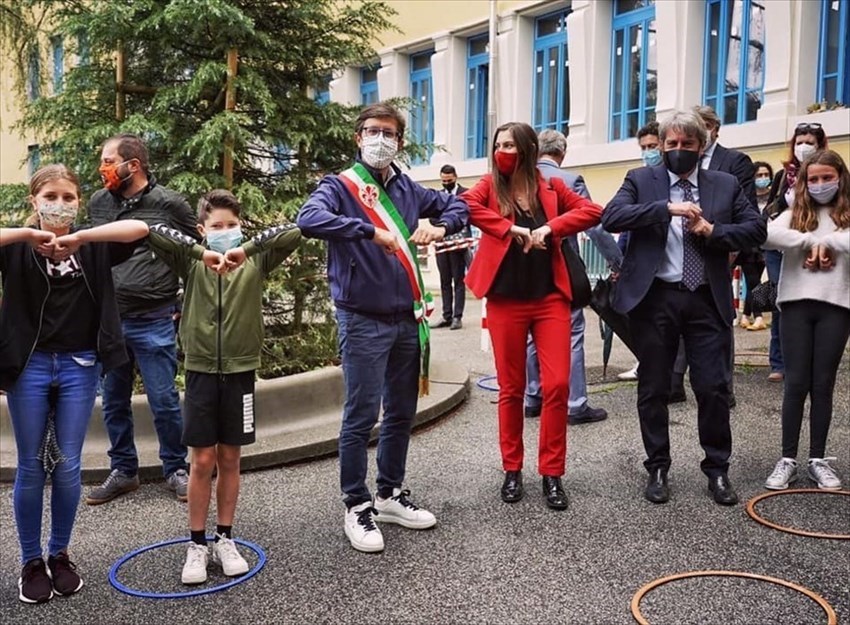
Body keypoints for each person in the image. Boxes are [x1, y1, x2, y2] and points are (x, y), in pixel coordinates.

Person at [296, 102, 468, 553]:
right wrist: (370, 232)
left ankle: (389, 493)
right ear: (358, 137)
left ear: (399, 142)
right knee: (360, 415)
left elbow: (460, 203)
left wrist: (441, 224)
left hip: (406, 319)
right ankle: (356, 504)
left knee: (400, 413)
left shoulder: (409, 189)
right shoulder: (339, 187)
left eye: (388, 133)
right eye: (372, 131)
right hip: (363, 319)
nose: (379, 139)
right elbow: (308, 220)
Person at [601, 110, 766, 506]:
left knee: (712, 387)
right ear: (661, 147)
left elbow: (756, 229)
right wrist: (666, 209)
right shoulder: (641, 180)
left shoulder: (723, 185)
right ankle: (657, 466)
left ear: (701, 146)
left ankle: (717, 470)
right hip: (656, 298)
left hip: (706, 298)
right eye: (670, 145)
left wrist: (713, 231)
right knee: (655, 386)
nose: (677, 151)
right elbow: (611, 216)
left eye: (686, 145)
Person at [1, 164, 147, 604]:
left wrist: (82, 238)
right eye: (51, 196)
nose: (60, 204)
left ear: (79, 202)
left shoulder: (92, 247)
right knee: (30, 465)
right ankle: (31, 562)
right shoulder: (17, 248)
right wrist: (28, 235)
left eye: (69, 197)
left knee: (67, 464)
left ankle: (59, 554)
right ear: (34, 200)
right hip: (30, 366)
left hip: (79, 365)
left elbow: (141, 228)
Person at [146, 189, 301, 584]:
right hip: (200, 371)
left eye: (232, 225)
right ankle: (196, 544)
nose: (225, 232)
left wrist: (244, 249)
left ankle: (225, 537)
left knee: (231, 458)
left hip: (241, 371)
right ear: (202, 230)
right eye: (217, 227)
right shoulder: (191, 261)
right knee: (200, 461)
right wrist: (204, 253)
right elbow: (153, 231)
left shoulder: (255, 260)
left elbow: (295, 231)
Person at [463, 122, 603, 510]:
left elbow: (592, 211)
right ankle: (512, 469)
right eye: (498, 144)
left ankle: (552, 473)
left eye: (510, 144)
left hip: (549, 300)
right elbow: (467, 207)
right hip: (506, 300)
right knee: (511, 388)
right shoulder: (489, 186)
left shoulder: (551, 186)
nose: (502, 150)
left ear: (526, 148)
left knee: (557, 385)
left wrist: (549, 228)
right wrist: (509, 229)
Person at [86, 133, 199, 505]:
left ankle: (176, 468)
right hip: (110, 320)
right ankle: (124, 470)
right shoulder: (100, 203)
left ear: (132, 165)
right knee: (114, 400)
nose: (103, 168)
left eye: (108, 160)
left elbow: (194, 255)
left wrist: (184, 301)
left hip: (155, 317)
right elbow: (93, 255)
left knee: (164, 399)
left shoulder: (170, 204)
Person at [762, 149, 850, 491]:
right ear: (803, 182)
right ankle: (787, 458)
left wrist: (829, 241)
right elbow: (768, 234)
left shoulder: (845, 215)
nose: (820, 184)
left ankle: (818, 458)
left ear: (840, 178)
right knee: (796, 382)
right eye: (813, 179)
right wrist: (810, 240)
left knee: (822, 384)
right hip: (796, 305)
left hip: (836, 305)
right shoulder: (795, 213)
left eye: (827, 177)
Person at [523, 129, 622, 425]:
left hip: (524, 268)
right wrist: (618, 262)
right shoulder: (570, 180)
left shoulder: (519, 178)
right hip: (560, 266)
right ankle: (575, 404)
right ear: (562, 153)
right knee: (572, 331)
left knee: (531, 331)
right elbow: (595, 224)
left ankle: (533, 396)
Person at [665, 105, 759, 405]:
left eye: (701, 126)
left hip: (719, 253)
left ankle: (722, 389)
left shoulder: (734, 163)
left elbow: (748, 216)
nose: (683, 143)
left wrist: (725, 241)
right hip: (677, 262)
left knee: (717, 326)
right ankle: (674, 381)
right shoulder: (664, 168)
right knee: (678, 322)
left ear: (712, 130)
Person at [761, 123, 830, 382]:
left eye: (809, 142)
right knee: (781, 303)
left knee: (810, 304)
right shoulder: (783, 176)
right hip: (781, 247)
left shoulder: (830, 174)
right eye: (799, 141)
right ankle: (778, 362)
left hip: (817, 249)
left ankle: (807, 361)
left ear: (820, 144)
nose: (803, 147)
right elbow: (771, 208)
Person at [617, 120, 661, 382]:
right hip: (639, 261)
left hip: (664, 263)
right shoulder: (636, 178)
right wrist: (619, 260)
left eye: (653, 146)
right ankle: (645, 363)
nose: (648, 152)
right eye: (644, 147)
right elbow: (622, 223)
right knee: (641, 319)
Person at [431, 164, 470, 330]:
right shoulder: (438, 196)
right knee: (444, 281)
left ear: (455, 177)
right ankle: (446, 315)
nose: (446, 183)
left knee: (458, 280)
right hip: (441, 244)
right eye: (443, 180)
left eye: (449, 180)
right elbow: (432, 218)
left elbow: (468, 215)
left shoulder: (466, 194)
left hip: (458, 244)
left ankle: (457, 317)